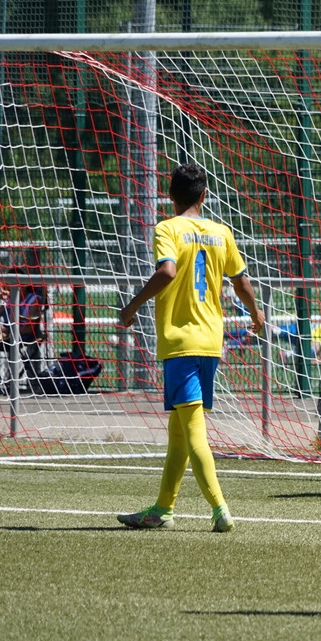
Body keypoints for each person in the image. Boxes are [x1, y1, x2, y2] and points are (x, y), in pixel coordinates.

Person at [116, 163, 264, 532]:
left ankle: (220, 509)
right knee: (179, 432)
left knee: (193, 428)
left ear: (170, 195)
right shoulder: (221, 232)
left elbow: (167, 271)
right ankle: (162, 508)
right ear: (204, 196)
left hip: (181, 341)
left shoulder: (167, 228)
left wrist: (132, 306)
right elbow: (241, 282)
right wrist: (256, 314)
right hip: (211, 341)